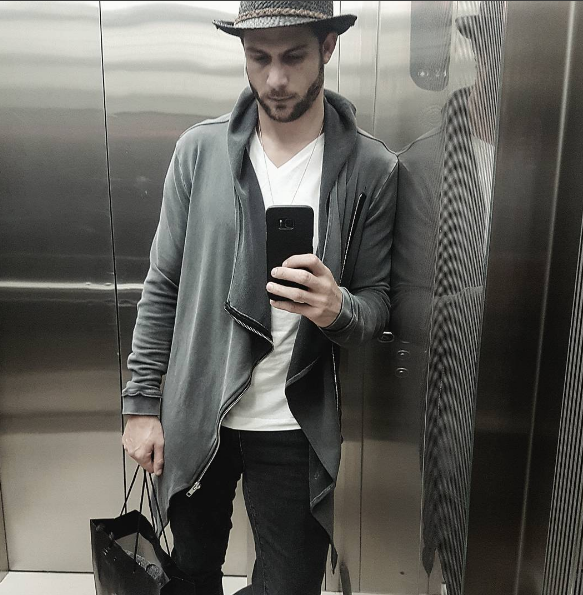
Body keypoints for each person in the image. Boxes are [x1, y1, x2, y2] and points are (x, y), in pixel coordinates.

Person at [120, 1, 398, 593]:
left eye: (293, 57)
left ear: (327, 47)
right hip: (198, 412)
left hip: (292, 422)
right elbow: (163, 284)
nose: (275, 79)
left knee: (290, 583)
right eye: (258, 58)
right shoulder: (200, 151)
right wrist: (141, 404)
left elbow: (376, 306)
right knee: (190, 572)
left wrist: (336, 308)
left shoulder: (371, 168)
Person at [392, 2, 505, 593]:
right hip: (464, 418)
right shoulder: (426, 166)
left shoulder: (562, 165)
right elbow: (406, 310)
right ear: (481, 60)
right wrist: (497, 301)